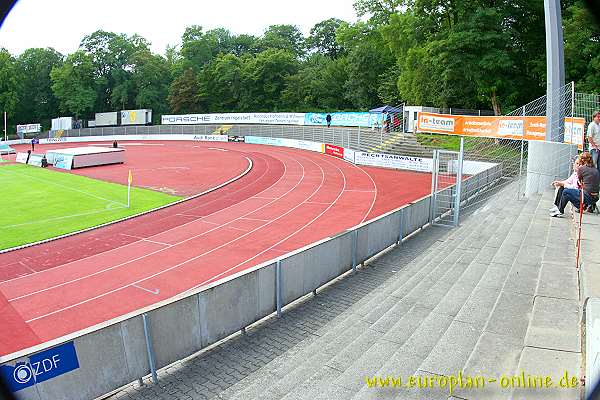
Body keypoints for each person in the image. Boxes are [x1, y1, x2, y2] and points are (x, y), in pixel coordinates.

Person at [551, 152, 599, 217]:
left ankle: (560, 211)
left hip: (586, 196)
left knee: (565, 191)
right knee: (565, 191)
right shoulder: (595, 170)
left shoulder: (582, 169)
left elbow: (579, 183)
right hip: (595, 197)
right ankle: (559, 207)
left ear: (582, 161)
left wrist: (577, 171)